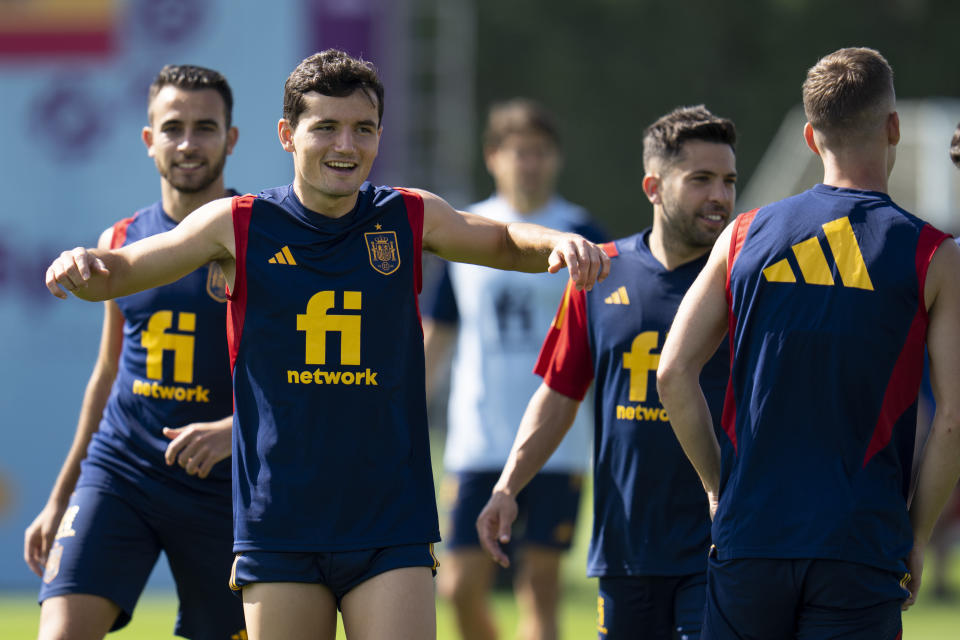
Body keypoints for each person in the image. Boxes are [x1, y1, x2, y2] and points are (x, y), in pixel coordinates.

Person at [44, 49, 610, 640]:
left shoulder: (407, 215)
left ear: (379, 136)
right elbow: (126, 269)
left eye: (363, 129)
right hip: (278, 522)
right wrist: (84, 262)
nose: (347, 144)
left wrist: (556, 242)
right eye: (326, 127)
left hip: (388, 521)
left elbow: (500, 240)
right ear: (288, 135)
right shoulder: (237, 223)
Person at [656, 47, 960, 639]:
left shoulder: (742, 233)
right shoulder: (935, 255)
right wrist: (915, 537)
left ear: (809, 137)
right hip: (863, 542)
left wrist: (721, 489)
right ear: (893, 127)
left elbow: (672, 372)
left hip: (751, 535)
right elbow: (952, 419)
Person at [477, 105, 737, 640]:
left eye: (729, 180)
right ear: (654, 186)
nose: (720, 195)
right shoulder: (601, 272)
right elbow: (558, 395)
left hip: (718, 548)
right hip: (625, 553)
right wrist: (508, 487)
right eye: (701, 180)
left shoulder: (743, 280)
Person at [24, 65, 244, 640]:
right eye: (173, 128)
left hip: (228, 486)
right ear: (150, 141)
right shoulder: (120, 242)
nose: (189, 143)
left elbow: (300, 378)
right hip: (123, 472)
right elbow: (106, 374)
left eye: (206, 127)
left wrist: (234, 430)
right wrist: (61, 496)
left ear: (232, 138)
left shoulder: (263, 236)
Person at [422, 98, 604, 640]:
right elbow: (441, 334)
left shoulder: (580, 231)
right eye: (519, 152)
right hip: (476, 441)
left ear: (557, 158)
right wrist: (399, 406)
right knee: (457, 586)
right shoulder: (465, 229)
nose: (530, 163)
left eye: (541, 152)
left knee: (539, 585)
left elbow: (605, 329)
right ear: (493, 156)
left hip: (556, 441)